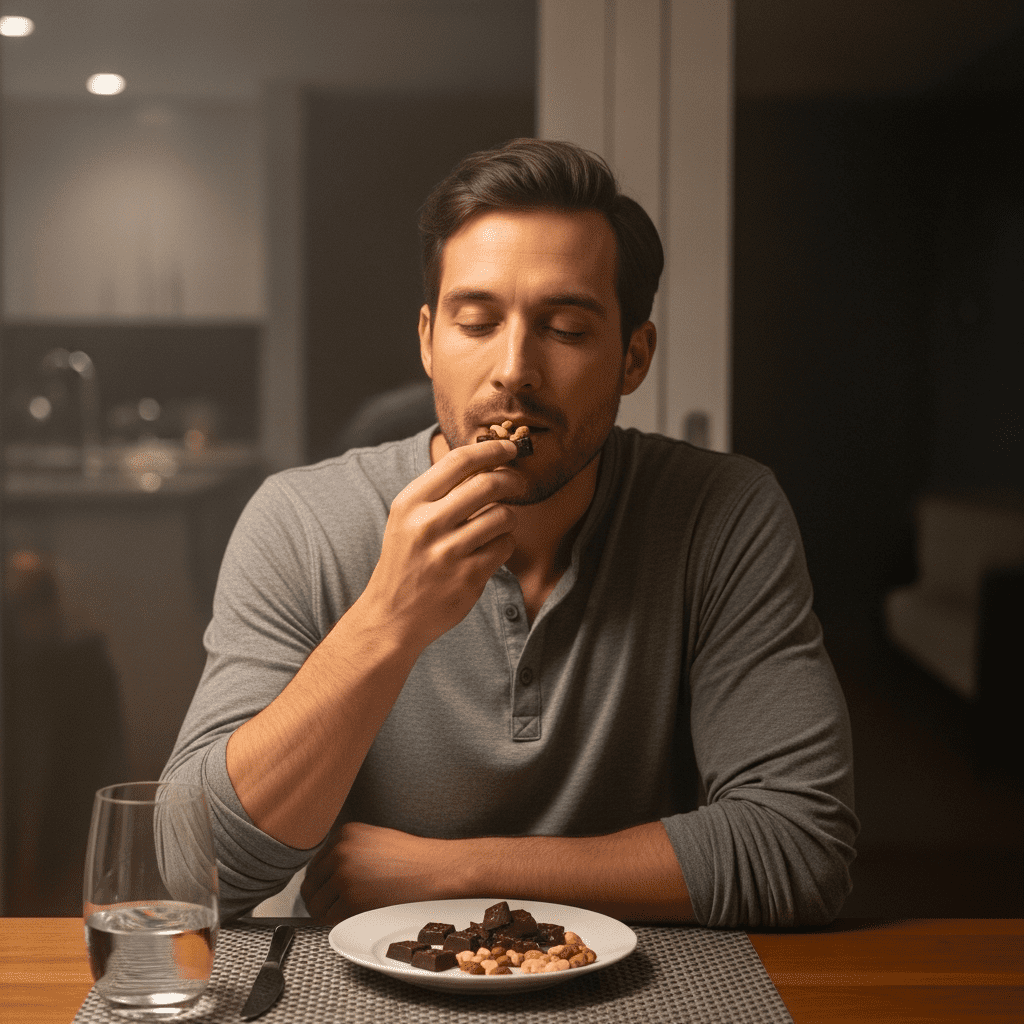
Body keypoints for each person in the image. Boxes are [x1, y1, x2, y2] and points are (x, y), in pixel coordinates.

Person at [163, 138, 857, 928]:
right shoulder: (301, 522)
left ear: (634, 357)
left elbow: (801, 845)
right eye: (477, 322)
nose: (514, 369)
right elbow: (190, 870)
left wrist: (456, 874)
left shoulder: (723, 514)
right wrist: (387, 621)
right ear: (428, 341)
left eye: (564, 328)